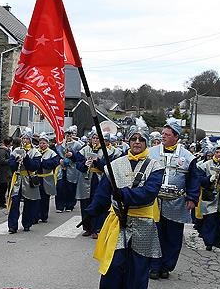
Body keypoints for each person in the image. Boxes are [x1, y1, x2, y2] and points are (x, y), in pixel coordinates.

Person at [87, 127, 164, 289]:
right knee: (114, 265)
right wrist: (91, 212)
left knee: (138, 268)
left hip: (143, 224)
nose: (137, 142)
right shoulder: (115, 165)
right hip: (118, 223)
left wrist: (124, 194)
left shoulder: (155, 166)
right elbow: (103, 193)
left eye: (141, 139)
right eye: (134, 138)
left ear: (146, 143)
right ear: (128, 141)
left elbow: (149, 193)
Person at [148, 118, 200, 280]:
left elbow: (193, 179)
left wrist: (192, 197)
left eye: (167, 134)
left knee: (173, 237)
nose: (163, 136)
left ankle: (166, 266)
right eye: (163, 133)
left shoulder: (187, 156)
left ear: (176, 137)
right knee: (154, 235)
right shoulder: (151, 152)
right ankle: (154, 267)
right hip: (154, 202)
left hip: (176, 203)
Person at [7, 134, 42, 232]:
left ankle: (27, 223)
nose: (25, 141)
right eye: (23, 139)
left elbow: (35, 166)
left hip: (29, 178)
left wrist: (26, 158)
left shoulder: (35, 152)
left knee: (29, 202)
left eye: (27, 139)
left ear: (30, 140)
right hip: (17, 178)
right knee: (15, 202)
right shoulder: (16, 150)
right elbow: (11, 165)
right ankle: (12, 226)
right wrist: (16, 161)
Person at [77, 134, 106, 238]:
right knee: (85, 203)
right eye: (93, 138)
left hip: (99, 179)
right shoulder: (84, 150)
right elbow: (78, 165)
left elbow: (107, 166)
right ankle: (87, 228)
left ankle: (96, 229)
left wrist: (97, 161)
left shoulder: (106, 150)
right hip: (86, 179)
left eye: (97, 138)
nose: (95, 140)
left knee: (98, 203)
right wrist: (85, 164)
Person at [55, 127, 82, 213]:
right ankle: (59, 206)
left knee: (70, 187)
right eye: (67, 134)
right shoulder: (59, 144)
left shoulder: (78, 145)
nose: (68, 136)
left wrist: (72, 155)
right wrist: (59, 160)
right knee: (60, 187)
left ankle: (69, 205)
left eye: (70, 134)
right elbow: (55, 155)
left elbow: (80, 157)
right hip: (61, 168)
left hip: (72, 168)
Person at [34, 133, 59, 223]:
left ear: (47, 144)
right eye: (41, 143)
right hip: (36, 177)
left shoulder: (52, 153)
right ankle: (35, 216)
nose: (42, 145)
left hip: (46, 178)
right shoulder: (35, 151)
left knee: (45, 198)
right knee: (36, 197)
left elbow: (54, 163)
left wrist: (43, 162)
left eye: (44, 143)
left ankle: (44, 216)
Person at [0, 137, 12, 208]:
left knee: (4, 187)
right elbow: (1, 161)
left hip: (5, 171)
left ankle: (2, 201)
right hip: (3, 171)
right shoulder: (2, 151)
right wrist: (10, 160)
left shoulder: (6, 150)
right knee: (3, 187)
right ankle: (1, 201)